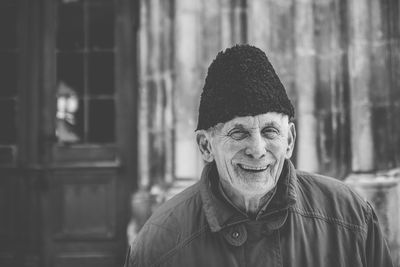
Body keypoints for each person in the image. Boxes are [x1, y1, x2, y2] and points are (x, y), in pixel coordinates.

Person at [125, 44, 393, 267]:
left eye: (270, 131)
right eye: (239, 133)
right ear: (206, 146)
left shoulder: (351, 218)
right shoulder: (160, 244)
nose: (257, 149)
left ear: (289, 140)